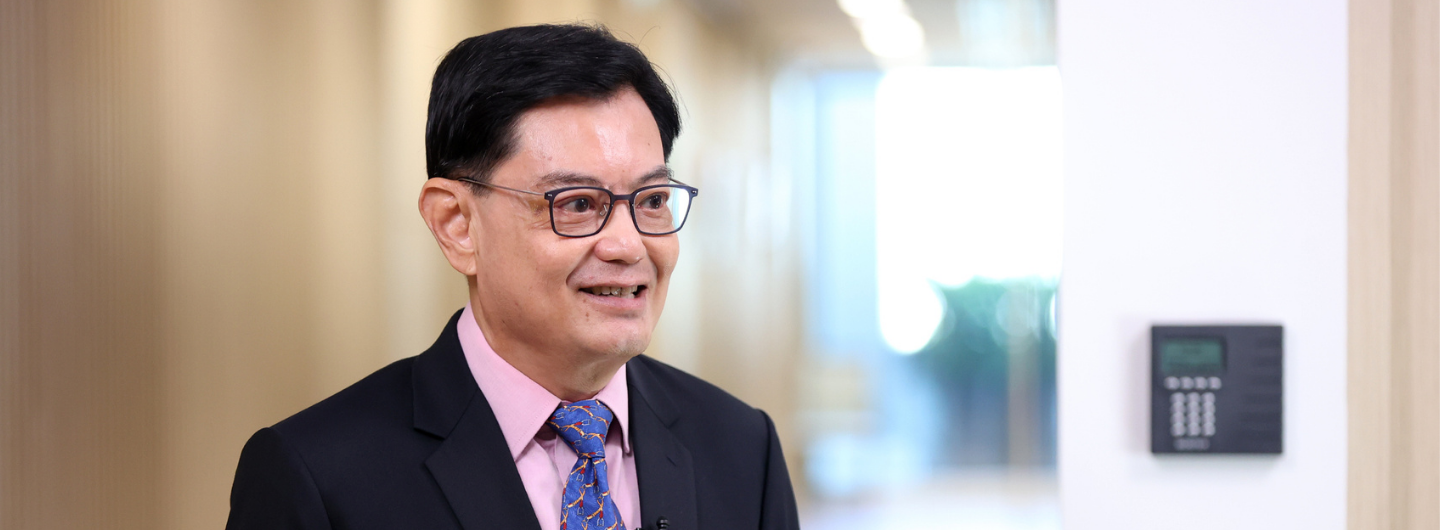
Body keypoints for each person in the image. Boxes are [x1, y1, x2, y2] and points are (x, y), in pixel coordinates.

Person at [224, 23, 800, 530]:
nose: (628, 244)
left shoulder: (741, 448)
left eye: (650, 200)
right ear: (456, 224)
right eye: (576, 203)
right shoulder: (319, 476)